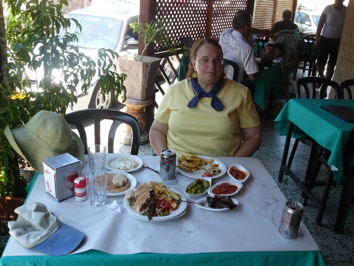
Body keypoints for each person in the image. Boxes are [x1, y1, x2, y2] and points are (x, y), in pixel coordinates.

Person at [149, 38, 262, 158]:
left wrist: (232, 164)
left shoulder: (240, 93)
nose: (212, 66)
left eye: (217, 60)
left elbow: (254, 136)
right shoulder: (175, 90)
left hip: (221, 167)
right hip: (177, 165)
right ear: (194, 64)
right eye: (205, 60)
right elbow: (157, 130)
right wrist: (166, 159)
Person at [219, 11, 275, 87]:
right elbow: (253, 77)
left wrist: (261, 32)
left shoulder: (225, 34)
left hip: (220, 79)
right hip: (235, 85)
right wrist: (264, 60)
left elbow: (242, 29)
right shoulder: (246, 48)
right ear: (247, 27)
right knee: (257, 83)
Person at [314, 0, 347, 80]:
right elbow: (320, 25)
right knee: (320, 63)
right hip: (324, 40)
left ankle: (325, 84)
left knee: (332, 64)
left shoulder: (346, 10)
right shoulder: (328, 8)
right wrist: (317, 39)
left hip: (337, 42)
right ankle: (322, 77)